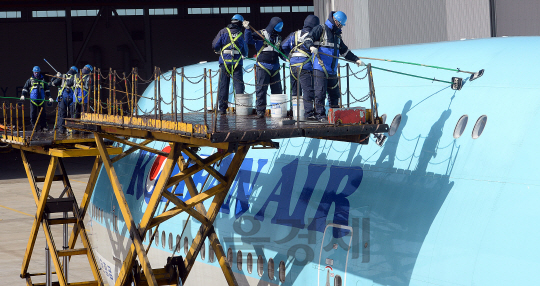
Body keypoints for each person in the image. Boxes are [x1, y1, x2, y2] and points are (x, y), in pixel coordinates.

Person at [304, 11, 365, 122]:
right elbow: (308, 39)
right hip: (320, 68)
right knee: (320, 93)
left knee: (335, 93)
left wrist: (356, 59)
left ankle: (335, 115)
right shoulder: (320, 29)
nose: (341, 26)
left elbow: (344, 51)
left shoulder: (337, 36)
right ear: (336, 21)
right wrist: (311, 47)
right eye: (340, 24)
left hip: (331, 70)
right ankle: (320, 116)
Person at [245, 17, 287, 118]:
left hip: (275, 67)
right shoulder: (261, 34)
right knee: (261, 90)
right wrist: (247, 30)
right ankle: (260, 111)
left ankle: (277, 111)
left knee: (277, 91)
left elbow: (280, 51)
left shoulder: (278, 38)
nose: (276, 32)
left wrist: (286, 58)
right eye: (275, 30)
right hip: (263, 66)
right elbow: (248, 40)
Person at [282, 15, 320, 120]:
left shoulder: (294, 34)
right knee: (308, 90)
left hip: (292, 66)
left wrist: (288, 57)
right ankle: (309, 114)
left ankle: (296, 113)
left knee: (295, 90)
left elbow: (283, 46)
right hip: (305, 66)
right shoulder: (313, 35)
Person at [212, 14, 249, 115]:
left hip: (224, 63)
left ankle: (222, 109)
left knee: (224, 86)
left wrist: (218, 50)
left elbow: (215, 45)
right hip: (237, 64)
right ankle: (241, 109)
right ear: (240, 23)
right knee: (239, 86)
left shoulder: (223, 32)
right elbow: (245, 52)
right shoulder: (240, 34)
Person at [21, 66, 52, 131]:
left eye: (37, 72)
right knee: (33, 115)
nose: (36, 74)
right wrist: (23, 95)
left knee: (43, 115)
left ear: (39, 72)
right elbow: (25, 88)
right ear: (33, 72)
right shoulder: (30, 80)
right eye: (35, 72)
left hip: (42, 100)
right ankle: (34, 127)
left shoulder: (43, 80)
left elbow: (47, 89)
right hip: (33, 101)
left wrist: (49, 97)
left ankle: (43, 127)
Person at [50, 66, 77, 134]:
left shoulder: (63, 76)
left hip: (63, 98)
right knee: (73, 114)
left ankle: (61, 129)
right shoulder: (76, 77)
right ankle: (74, 129)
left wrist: (56, 76)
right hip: (72, 98)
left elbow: (52, 83)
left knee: (62, 114)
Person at [72, 64, 93, 133]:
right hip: (84, 99)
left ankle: (75, 130)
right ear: (89, 70)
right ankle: (85, 130)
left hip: (75, 98)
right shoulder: (89, 78)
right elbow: (91, 88)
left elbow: (69, 83)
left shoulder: (75, 76)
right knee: (84, 115)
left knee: (75, 114)